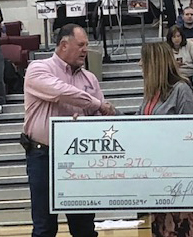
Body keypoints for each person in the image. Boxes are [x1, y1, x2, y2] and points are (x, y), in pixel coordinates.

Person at [23, 23, 115, 237]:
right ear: (64, 45)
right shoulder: (39, 68)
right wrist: (96, 104)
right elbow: (60, 92)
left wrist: (86, 121)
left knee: (84, 227)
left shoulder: (90, 79)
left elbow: (102, 119)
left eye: (87, 45)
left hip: (80, 159)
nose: (85, 50)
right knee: (44, 227)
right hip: (43, 155)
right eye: (81, 45)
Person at [138, 41, 193, 237]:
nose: (139, 64)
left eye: (143, 60)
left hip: (179, 178)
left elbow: (190, 136)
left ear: (154, 63)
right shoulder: (149, 95)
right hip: (156, 177)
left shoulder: (182, 89)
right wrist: (111, 112)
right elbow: (135, 129)